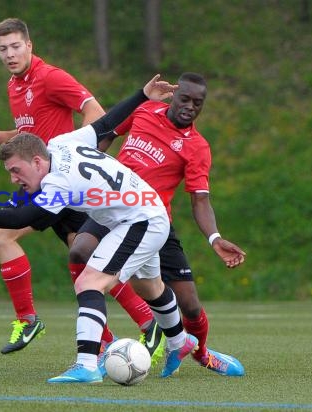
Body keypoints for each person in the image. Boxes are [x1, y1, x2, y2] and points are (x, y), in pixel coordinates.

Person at [0, 75, 198, 383]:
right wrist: (141, 94)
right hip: (139, 210)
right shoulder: (60, 144)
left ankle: (87, 365)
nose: (13, 179)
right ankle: (180, 342)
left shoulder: (56, 184)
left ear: (36, 161)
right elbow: (106, 124)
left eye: (15, 171)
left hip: (139, 220)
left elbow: (21, 218)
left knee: (89, 283)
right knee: (150, 287)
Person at [0, 17, 163, 358]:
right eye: (3, 49)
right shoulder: (14, 85)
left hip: (61, 180)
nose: (10, 54)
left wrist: (80, 161)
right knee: (84, 256)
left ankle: (30, 320)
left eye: (16, 46)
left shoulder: (51, 77)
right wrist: (1, 137)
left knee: (2, 236)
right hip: (40, 180)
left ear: (30, 46)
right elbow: (30, 135)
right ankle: (144, 324)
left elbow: (95, 111)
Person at [75, 72, 246, 376]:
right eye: (185, 99)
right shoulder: (144, 110)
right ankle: (104, 337)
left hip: (154, 222)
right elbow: (108, 135)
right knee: (81, 250)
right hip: (115, 207)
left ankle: (199, 352)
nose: (191, 107)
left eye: (198, 103)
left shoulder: (196, 147)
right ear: (173, 95)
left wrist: (214, 238)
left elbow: (200, 200)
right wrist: (80, 164)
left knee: (190, 304)